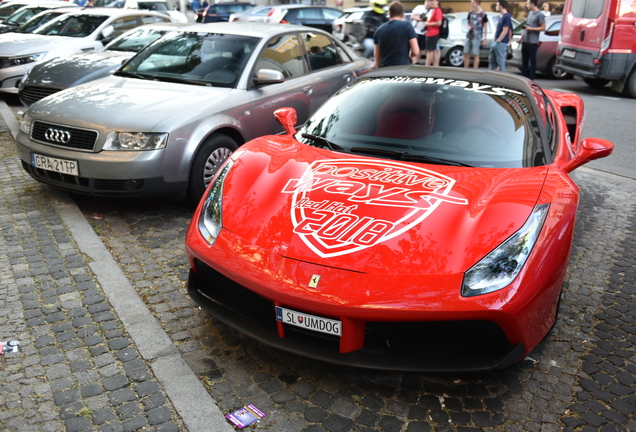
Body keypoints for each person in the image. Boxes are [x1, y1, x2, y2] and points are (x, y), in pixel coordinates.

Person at [373, 1, 420, 68]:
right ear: (403, 14)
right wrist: (410, 56)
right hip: (402, 68)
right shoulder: (407, 26)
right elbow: (415, 51)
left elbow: (377, 56)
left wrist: (378, 70)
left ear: (389, 14)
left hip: (385, 69)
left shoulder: (379, 29)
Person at [520, 0, 546, 79]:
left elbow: (543, 28)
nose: (527, 5)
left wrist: (531, 28)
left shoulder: (540, 14)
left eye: (528, 4)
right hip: (525, 41)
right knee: (524, 61)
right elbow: (526, 26)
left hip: (533, 42)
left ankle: (531, 78)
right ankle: (523, 78)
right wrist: (521, 37)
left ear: (532, 4)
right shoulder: (530, 13)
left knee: (532, 61)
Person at [489, 0, 513, 72]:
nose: (496, 7)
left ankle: (502, 76)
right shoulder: (500, 16)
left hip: (501, 43)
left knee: (500, 61)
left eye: (497, 5)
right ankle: (490, 75)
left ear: (501, 6)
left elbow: (506, 30)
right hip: (496, 41)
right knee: (491, 61)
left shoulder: (507, 16)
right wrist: (495, 40)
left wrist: (498, 41)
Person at [463, 0, 488, 68]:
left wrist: (485, 39)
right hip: (469, 35)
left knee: (476, 54)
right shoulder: (471, 12)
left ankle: (475, 70)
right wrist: (469, 27)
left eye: (473, 3)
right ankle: (465, 69)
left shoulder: (483, 14)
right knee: (466, 53)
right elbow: (467, 23)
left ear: (477, 3)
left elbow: (485, 27)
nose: (472, 4)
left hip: (477, 36)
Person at [422, 0, 443, 66]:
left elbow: (439, 23)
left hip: (433, 33)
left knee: (430, 51)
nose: (431, 3)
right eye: (431, 1)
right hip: (430, 33)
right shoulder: (433, 10)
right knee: (434, 51)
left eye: (433, 1)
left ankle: (427, 66)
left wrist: (428, 24)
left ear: (437, 2)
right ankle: (434, 66)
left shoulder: (438, 10)